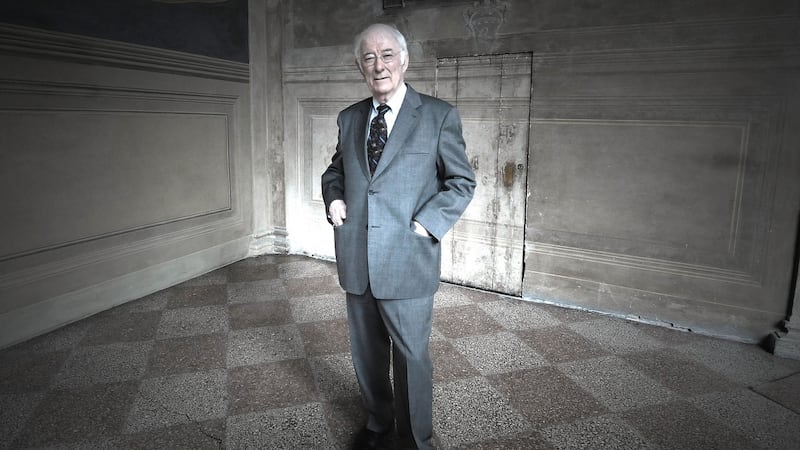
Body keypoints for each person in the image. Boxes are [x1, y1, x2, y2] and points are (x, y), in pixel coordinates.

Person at [321, 23, 476, 450]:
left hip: (407, 256)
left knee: (410, 358)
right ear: (360, 66)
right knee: (368, 355)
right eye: (368, 57)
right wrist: (333, 197)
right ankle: (377, 424)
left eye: (387, 54)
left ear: (404, 60)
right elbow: (336, 171)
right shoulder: (350, 117)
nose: (379, 64)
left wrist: (426, 224)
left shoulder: (438, 115)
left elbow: (461, 182)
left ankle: (414, 440)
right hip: (357, 257)